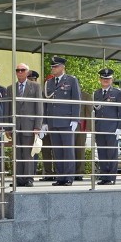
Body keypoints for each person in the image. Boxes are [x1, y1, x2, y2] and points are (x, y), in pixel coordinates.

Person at [44, 56, 81, 186]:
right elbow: (46, 104)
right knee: (57, 150)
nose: (53, 69)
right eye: (52, 67)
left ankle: (69, 177)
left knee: (68, 150)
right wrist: (45, 121)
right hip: (53, 121)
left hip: (66, 121)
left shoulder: (71, 80)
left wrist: (75, 119)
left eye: (56, 66)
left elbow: (76, 100)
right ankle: (60, 177)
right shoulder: (48, 83)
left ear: (62, 67)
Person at [6, 63, 43, 186]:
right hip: (16, 125)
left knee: (28, 154)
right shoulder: (11, 88)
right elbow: (8, 108)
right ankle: (17, 179)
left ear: (27, 72)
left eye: (22, 70)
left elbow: (39, 106)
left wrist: (38, 125)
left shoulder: (35, 86)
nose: (20, 72)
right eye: (18, 70)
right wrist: (8, 126)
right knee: (17, 153)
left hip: (30, 125)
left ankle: (28, 179)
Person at [93, 68, 121, 185]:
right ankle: (104, 176)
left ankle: (111, 178)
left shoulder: (117, 93)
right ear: (100, 79)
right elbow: (95, 111)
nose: (105, 80)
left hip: (112, 128)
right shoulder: (96, 93)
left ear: (112, 80)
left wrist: (120, 127)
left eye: (108, 78)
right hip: (100, 128)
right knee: (101, 153)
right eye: (103, 78)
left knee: (111, 154)